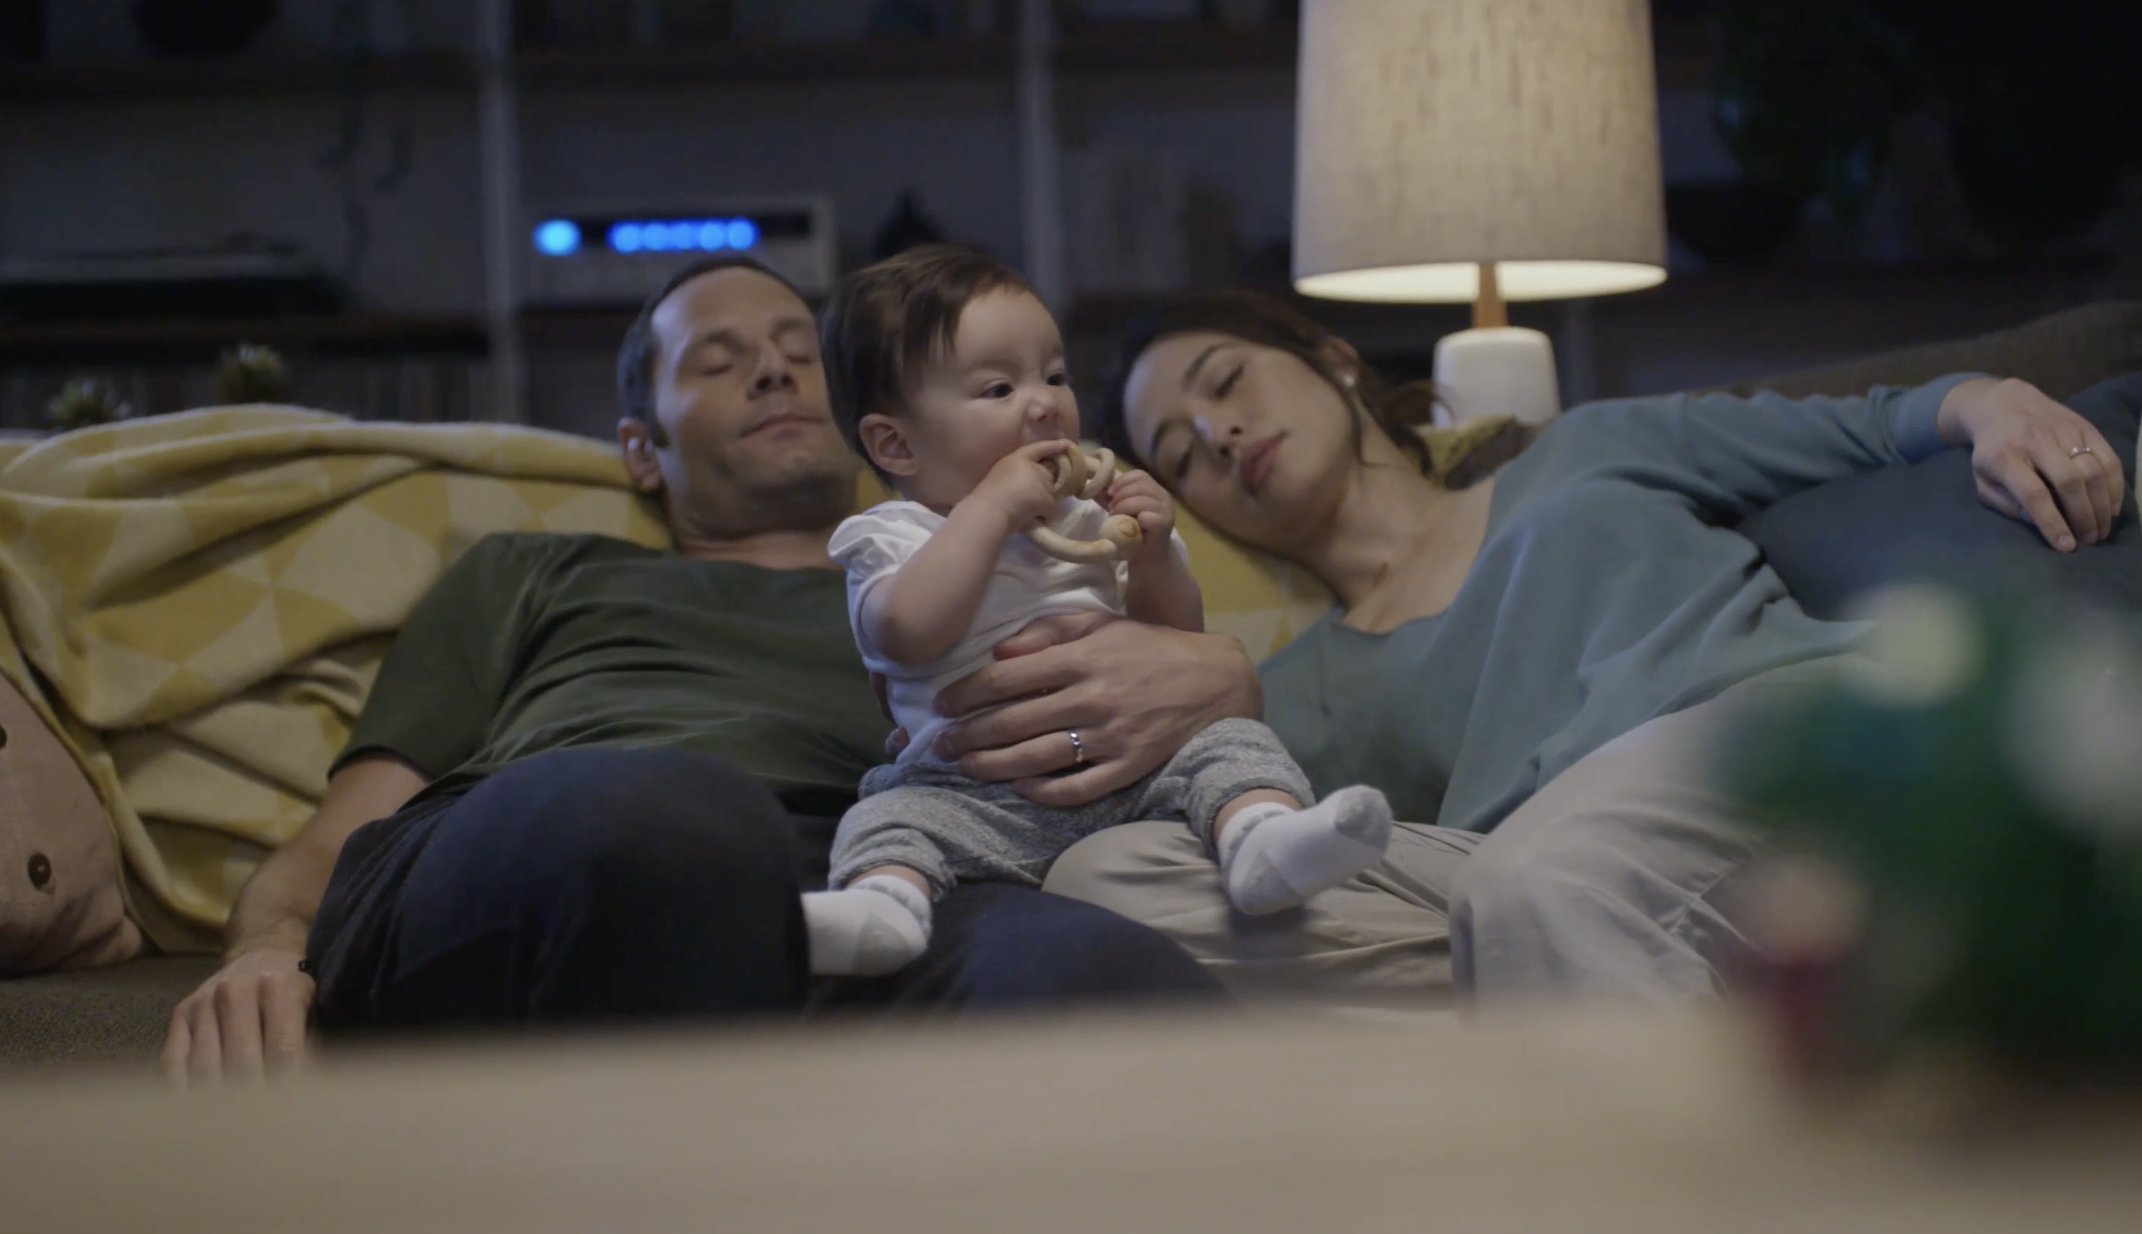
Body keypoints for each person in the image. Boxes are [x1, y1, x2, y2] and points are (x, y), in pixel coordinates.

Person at [160, 255, 1258, 1084]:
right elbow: (346, 827)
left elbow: (1182, 694)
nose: (776, 368)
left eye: (799, 351)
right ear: (641, 450)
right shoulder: (537, 570)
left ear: (880, 419)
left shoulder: (1010, 569)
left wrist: (1223, 677)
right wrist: (266, 950)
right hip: (553, 849)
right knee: (682, 824)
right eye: (718, 362)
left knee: (1112, 981)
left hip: (860, 881)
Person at [1043, 289, 2127, 1003]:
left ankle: (1574, 1033)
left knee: (1536, 886)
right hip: (1533, 866)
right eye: (1180, 452)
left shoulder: (1585, 448)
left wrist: (1993, 405)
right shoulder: (1291, 686)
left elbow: (1866, 423)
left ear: (1332, 359)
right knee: (1109, 880)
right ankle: (1599, 1000)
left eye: (1226, 382)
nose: (1220, 435)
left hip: (1752, 738)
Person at [801, 247, 1393, 976]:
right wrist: (989, 511)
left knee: (1232, 742)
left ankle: (1263, 841)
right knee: (885, 817)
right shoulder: (894, 537)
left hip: (1140, 772)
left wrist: (1152, 553)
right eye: (998, 388)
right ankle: (884, 908)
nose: (1045, 403)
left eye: (1054, 375)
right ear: (896, 443)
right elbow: (905, 632)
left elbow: (1178, 640)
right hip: (968, 792)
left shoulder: (1088, 519)